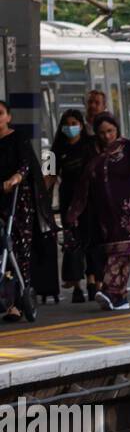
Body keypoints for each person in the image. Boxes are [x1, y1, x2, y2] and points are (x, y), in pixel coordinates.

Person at [67, 113, 130, 312]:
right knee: (115, 252)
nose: (107, 136)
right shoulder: (91, 153)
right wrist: (73, 212)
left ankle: (109, 289)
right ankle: (120, 298)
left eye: (110, 131)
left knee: (120, 252)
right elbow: (82, 185)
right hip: (104, 214)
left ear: (117, 129)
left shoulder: (129, 148)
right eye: (102, 133)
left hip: (128, 211)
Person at [0, 100, 43, 320]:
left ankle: (17, 302)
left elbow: (26, 164)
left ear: (8, 117)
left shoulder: (18, 138)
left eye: (0, 114)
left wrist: (16, 178)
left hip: (18, 201)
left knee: (18, 249)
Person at [50, 108, 97, 303]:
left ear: (81, 125)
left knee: (92, 240)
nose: (70, 128)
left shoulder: (91, 145)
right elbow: (49, 176)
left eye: (74, 124)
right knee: (72, 242)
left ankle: (93, 282)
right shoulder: (55, 150)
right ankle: (77, 286)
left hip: (90, 198)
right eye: (67, 124)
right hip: (68, 199)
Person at [81, 89, 108, 299]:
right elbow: (53, 154)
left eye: (97, 102)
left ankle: (98, 279)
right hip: (79, 193)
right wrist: (49, 178)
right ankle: (89, 278)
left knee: (102, 237)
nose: (93, 105)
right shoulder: (76, 127)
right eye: (90, 102)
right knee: (84, 237)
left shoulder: (108, 130)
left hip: (103, 194)